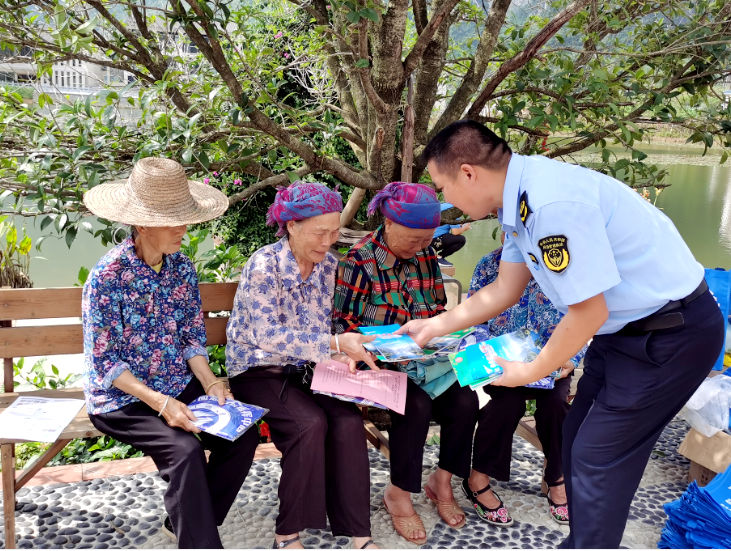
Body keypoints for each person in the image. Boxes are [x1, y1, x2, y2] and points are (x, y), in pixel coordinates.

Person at [399, 119, 724, 548]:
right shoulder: (518, 201)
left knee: (597, 458)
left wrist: (528, 371)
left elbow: (588, 310)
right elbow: (504, 289)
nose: (447, 201)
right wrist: (433, 325)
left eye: (443, 187)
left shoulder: (550, 206)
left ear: (468, 173)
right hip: (623, 333)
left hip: (671, 334)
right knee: (575, 441)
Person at [81, 157, 257, 549]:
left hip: (178, 386)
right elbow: (107, 364)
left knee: (242, 436)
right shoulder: (107, 278)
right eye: (173, 221)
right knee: (185, 452)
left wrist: (211, 383)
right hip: (121, 399)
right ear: (141, 224)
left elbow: (191, 338)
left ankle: (189, 523)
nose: (183, 229)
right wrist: (163, 405)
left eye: (186, 219)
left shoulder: (181, 269)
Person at [225, 182, 379, 550]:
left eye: (334, 231)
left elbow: (332, 325)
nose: (328, 242)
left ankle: (358, 533)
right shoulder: (264, 264)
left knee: (347, 422)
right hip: (257, 369)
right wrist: (333, 344)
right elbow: (266, 334)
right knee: (308, 424)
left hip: (308, 370)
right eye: (319, 232)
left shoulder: (329, 266)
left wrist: (344, 353)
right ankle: (287, 533)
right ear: (291, 225)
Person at [332, 182, 479, 546]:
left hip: (425, 359)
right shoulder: (359, 260)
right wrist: (382, 344)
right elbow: (339, 323)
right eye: (414, 239)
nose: (421, 246)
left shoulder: (427, 254)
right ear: (389, 223)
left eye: (426, 239)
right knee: (414, 405)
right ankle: (398, 492)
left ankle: (440, 481)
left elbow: (435, 313)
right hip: (376, 361)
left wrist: (444, 337)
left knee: (466, 400)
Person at [465, 239, 586, 526]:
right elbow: (474, 319)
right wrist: (487, 356)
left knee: (556, 403)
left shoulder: (561, 266)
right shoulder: (489, 265)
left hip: (550, 360)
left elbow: (583, 317)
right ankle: (477, 477)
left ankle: (556, 476)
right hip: (503, 361)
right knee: (505, 403)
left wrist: (571, 358)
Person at [431, 203, 471, 267]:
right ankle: (439, 258)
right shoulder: (455, 210)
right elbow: (455, 232)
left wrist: (459, 225)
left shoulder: (444, 205)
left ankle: (435, 256)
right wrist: (465, 228)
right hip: (433, 241)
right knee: (461, 240)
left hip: (427, 239)